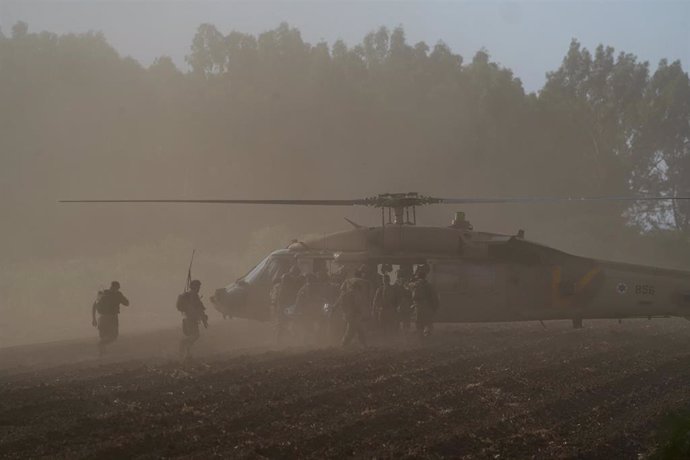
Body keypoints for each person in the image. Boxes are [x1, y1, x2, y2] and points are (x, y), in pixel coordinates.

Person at [91, 281, 130, 356]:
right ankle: (101, 349)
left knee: (104, 337)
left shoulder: (102, 293)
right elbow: (127, 303)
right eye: (117, 288)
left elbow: (94, 306)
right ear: (116, 287)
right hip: (111, 318)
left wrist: (94, 319)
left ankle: (102, 354)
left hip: (101, 318)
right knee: (113, 336)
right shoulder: (117, 294)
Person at [338, 266, 372, 348]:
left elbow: (341, 297)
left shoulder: (348, 284)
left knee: (358, 329)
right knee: (352, 330)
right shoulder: (364, 284)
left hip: (351, 313)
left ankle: (364, 345)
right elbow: (367, 298)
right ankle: (343, 345)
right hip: (355, 313)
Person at [176, 279, 208, 358]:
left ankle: (186, 354)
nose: (199, 288)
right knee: (195, 336)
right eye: (198, 286)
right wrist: (204, 320)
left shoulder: (189, 295)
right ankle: (183, 347)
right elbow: (200, 308)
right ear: (194, 287)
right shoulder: (194, 295)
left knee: (193, 336)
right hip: (191, 319)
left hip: (188, 319)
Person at [275, 265, 304, 343]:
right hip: (285, 306)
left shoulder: (293, 281)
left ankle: (291, 341)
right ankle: (281, 341)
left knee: (292, 324)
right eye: (295, 274)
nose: (295, 276)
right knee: (283, 325)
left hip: (290, 306)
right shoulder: (287, 279)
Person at [411, 265, 439, 339]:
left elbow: (413, 296)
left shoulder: (415, 285)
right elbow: (434, 297)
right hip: (427, 307)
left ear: (418, 277)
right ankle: (428, 338)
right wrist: (434, 307)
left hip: (418, 308)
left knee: (419, 325)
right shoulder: (429, 285)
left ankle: (420, 339)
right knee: (428, 324)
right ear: (425, 277)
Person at [372, 273, 400, 340]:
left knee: (390, 325)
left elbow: (397, 299)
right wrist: (375, 308)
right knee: (383, 325)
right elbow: (375, 300)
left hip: (390, 310)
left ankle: (390, 339)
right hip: (383, 310)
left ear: (389, 280)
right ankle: (385, 339)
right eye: (384, 279)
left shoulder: (393, 289)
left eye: (386, 279)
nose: (385, 281)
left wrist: (395, 307)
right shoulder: (380, 289)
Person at [395, 265, 414, 334]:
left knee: (403, 319)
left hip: (403, 304)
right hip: (402, 304)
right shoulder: (404, 284)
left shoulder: (400, 284)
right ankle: (404, 331)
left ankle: (403, 331)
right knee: (404, 319)